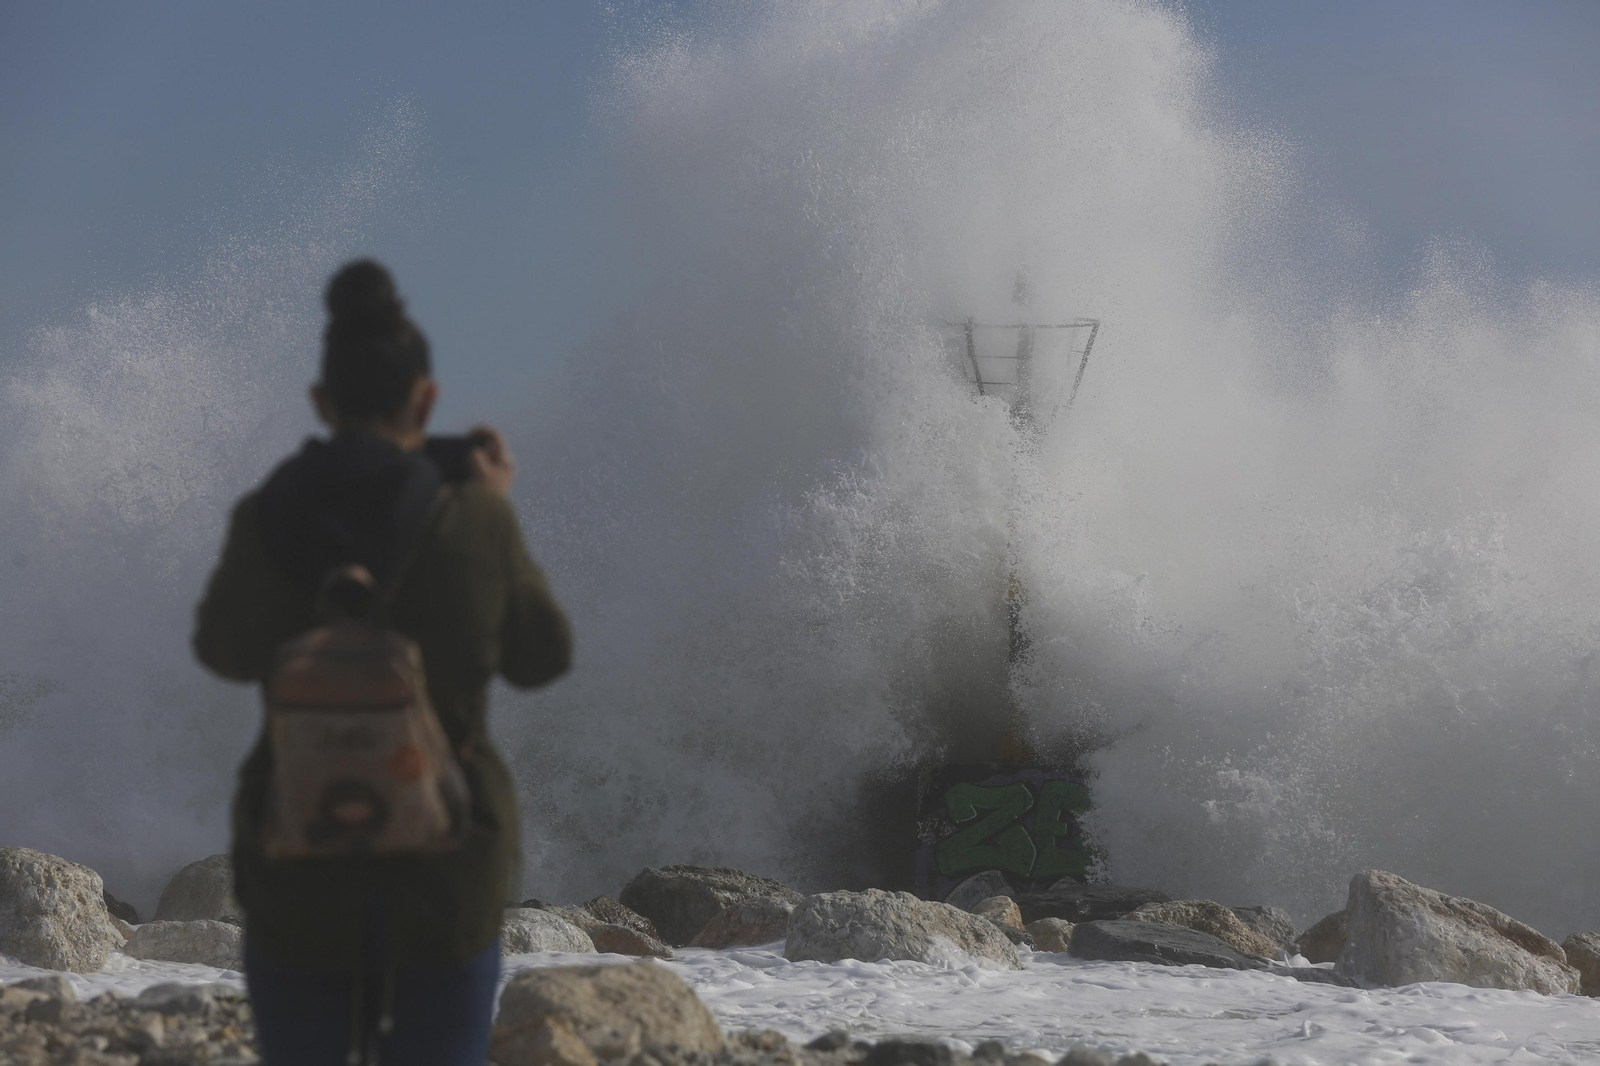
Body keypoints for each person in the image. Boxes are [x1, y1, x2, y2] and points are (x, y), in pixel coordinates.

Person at [193, 259, 571, 1065]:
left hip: (296, 864)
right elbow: (544, 657)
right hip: (447, 871)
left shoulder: (268, 516)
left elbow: (220, 651)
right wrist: (493, 511)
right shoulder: (473, 520)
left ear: (322, 405)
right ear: (427, 401)